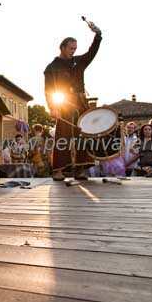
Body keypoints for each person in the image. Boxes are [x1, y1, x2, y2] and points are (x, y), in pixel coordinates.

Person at [44, 20, 102, 181]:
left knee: (83, 136)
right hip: (63, 105)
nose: (73, 51)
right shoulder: (52, 67)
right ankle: (58, 170)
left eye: (75, 49)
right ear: (62, 47)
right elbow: (48, 90)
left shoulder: (78, 62)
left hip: (81, 104)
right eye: (71, 48)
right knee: (62, 137)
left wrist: (98, 35)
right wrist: (52, 107)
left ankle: (81, 169)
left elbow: (92, 53)